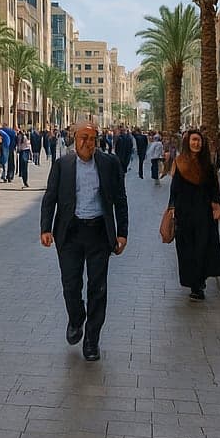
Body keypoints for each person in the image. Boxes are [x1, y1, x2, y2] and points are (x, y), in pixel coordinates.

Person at [39, 122, 129, 361]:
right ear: (74, 139)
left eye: (92, 138)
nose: (88, 143)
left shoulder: (109, 164)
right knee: (71, 285)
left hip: (99, 232)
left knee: (98, 289)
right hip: (70, 234)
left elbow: (120, 199)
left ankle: (91, 340)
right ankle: (76, 318)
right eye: (83, 138)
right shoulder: (63, 165)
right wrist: (45, 228)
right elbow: (50, 197)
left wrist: (123, 233)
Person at [167, 130, 220, 301]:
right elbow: (175, 189)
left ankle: (198, 284)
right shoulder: (180, 163)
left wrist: (216, 204)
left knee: (202, 248)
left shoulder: (207, 165)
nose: (196, 143)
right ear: (188, 142)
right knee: (187, 250)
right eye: (193, 140)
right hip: (184, 214)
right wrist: (171, 208)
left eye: (199, 140)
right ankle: (192, 281)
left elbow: (214, 188)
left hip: (203, 215)